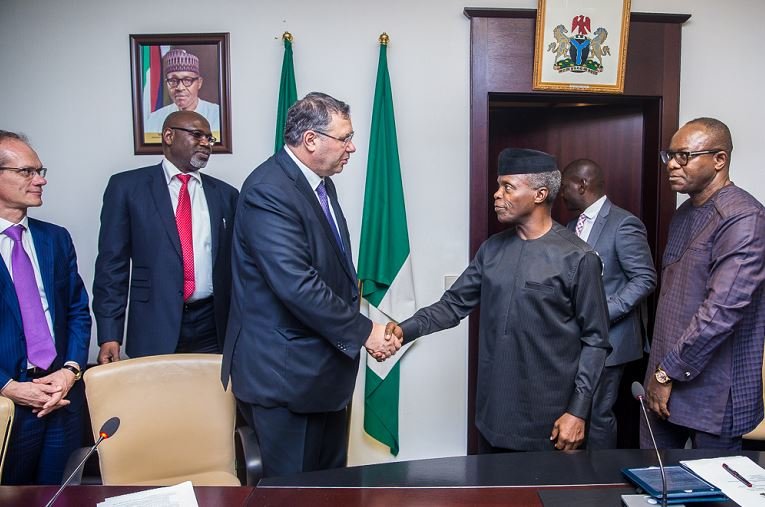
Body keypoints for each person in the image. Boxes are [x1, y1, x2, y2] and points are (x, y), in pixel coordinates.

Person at [221, 92, 400, 477]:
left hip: (322, 374)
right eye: (345, 137)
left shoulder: (319, 183)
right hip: (286, 379)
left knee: (329, 488)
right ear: (311, 140)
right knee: (294, 495)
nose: (352, 147)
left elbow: (333, 272)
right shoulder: (269, 189)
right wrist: (366, 331)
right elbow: (296, 284)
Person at [386, 148, 611, 452]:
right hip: (492, 417)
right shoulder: (491, 250)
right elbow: (452, 305)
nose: (496, 194)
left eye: (508, 187)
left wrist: (578, 411)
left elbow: (596, 341)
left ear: (540, 194)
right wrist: (403, 329)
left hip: (553, 421)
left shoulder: (578, 257)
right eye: (498, 185)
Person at [643, 117, 765, 451]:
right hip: (663, 383)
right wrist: (659, 373)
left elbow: (722, 310)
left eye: (684, 156)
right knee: (651, 486)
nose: (671, 164)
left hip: (714, 391)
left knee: (712, 494)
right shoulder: (684, 213)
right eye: (669, 154)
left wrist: (667, 372)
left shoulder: (743, 217)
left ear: (719, 160)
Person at [93, 111, 238, 362]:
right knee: (157, 400)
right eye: (196, 135)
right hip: (153, 323)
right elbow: (111, 267)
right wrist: (109, 334)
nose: (205, 143)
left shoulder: (225, 194)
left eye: (209, 138)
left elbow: (237, 266)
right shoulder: (127, 188)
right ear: (168, 136)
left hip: (212, 326)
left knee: (212, 398)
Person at [0, 131, 91, 484]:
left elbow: (77, 310)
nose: (41, 180)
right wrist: (8, 386)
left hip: (61, 397)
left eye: (40, 170)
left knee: (61, 494)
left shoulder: (55, 237)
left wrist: (70, 370)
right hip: (8, 405)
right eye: (27, 172)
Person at [559, 158, 657, 449]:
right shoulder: (568, 225)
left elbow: (644, 279)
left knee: (598, 414)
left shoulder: (623, 223)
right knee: (574, 412)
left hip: (610, 339)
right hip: (572, 339)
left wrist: (602, 314)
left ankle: (599, 481)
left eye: (564, 187)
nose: (561, 194)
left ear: (581, 184)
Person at [144, 48, 220, 139]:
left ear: (199, 83)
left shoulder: (217, 115)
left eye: (187, 80)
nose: (180, 88)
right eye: (173, 81)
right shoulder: (155, 119)